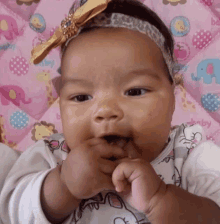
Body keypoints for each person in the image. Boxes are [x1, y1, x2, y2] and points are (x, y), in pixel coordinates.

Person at [1, 0, 220, 223]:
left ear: (172, 98)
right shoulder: (51, 156)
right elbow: (10, 211)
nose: (106, 111)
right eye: (81, 97)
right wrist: (63, 186)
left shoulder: (190, 153)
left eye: (134, 91)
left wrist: (161, 199)